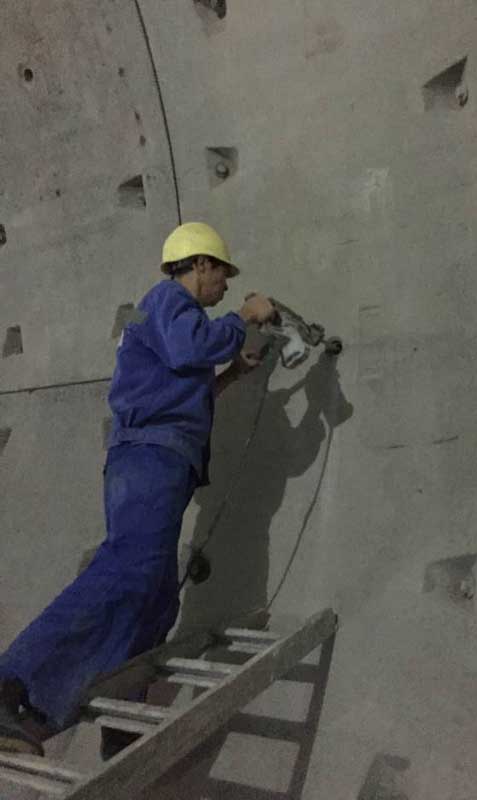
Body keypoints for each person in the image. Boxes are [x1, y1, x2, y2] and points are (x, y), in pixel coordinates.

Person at [0, 222, 275, 757]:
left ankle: (121, 714)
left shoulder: (172, 320)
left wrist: (231, 376)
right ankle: (11, 685)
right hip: (151, 457)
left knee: (156, 598)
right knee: (128, 569)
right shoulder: (169, 301)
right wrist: (243, 318)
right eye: (223, 274)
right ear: (200, 264)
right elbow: (188, 349)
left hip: (158, 457)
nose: (225, 286)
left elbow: (180, 386)